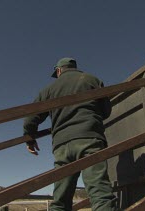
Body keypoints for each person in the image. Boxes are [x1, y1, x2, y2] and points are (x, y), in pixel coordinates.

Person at [23, 58, 119, 211]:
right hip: (89, 138)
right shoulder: (91, 80)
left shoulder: (49, 90)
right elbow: (106, 111)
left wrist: (29, 138)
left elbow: (31, 117)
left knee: (60, 198)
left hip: (62, 145)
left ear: (59, 70)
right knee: (99, 192)